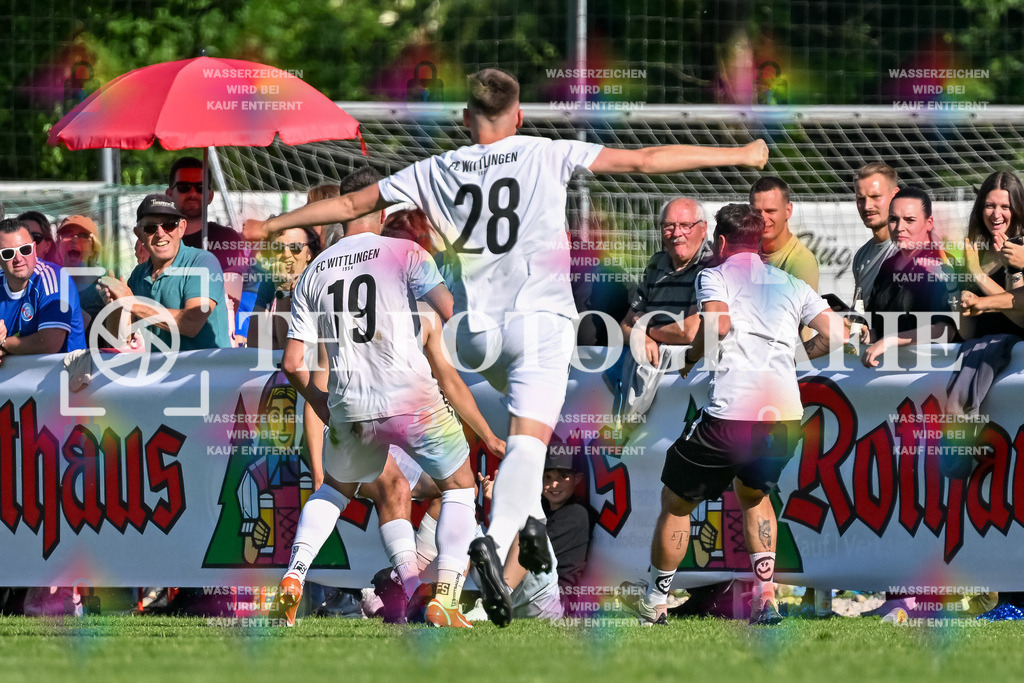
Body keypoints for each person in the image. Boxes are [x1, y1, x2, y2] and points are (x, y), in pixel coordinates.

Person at [244, 67, 769, 627]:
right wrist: (739, 153)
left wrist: (275, 223)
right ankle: (494, 542)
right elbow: (643, 160)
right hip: (538, 326)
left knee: (503, 439)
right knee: (525, 448)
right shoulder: (546, 151)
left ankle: (521, 529)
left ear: (467, 119)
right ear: (518, 116)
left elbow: (352, 206)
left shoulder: (436, 168)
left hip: (474, 336)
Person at [275, 189, 490, 630]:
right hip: (409, 398)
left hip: (351, 403)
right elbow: (452, 314)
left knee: (334, 489)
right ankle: (445, 597)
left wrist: (322, 404)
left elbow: (292, 364)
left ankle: (293, 578)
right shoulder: (406, 252)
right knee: (461, 485)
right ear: (382, 211)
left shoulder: (314, 270)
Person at [621, 204, 842, 626]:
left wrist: (671, 344)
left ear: (720, 242)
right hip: (784, 419)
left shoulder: (715, 274)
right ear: (760, 242)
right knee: (755, 496)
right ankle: (766, 597)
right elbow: (837, 334)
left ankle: (655, 600)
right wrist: (797, 355)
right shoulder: (790, 283)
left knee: (676, 501)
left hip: (731, 417)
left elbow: (716, 326)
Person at [99, 194, 231, 351]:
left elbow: (191, 323)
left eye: (169, 225)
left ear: (181, 228)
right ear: (138, 234)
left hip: (207, 372)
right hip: (161, 373)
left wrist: (132, 303)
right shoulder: (138, 274)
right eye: (150, 228)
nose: (160, 233)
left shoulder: (202, 262)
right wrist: (116, 306)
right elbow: (120, 341)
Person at [861, 186, 959, 368]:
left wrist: (891, 341)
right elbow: (875, 325)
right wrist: (863, 334)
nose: (899, 228)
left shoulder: (942, 265)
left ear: (929, 223)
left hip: (929, 375)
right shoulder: (888, 266)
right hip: (884, 371)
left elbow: (946, 330)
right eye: (893, 219)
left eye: (910, 220)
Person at [621, 197, 713, 367]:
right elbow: (626, 325)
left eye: (686, 225)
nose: (677, 233)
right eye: (669, 226)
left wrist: (646, 331)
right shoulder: (656, 264)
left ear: (703, 228)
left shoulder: (711, 265)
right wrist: (640, 339)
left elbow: (691, 331)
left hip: (691, 374)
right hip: (654, 370)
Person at [0, 218, 86, 360]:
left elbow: (49, 343)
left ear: (34, 249)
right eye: (8, 253)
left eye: (25, 250)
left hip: (62, 379)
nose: (18, 259)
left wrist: (3, 343)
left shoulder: (56, 277)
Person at [958, 171, 1024, 338]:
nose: (996, 215)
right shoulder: (974, 251)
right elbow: (966, 334)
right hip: (979, 355)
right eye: (990, 206)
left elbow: (1019, 317)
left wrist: (978, 274)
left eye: (1005, 207)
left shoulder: (1021, 249)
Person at [165, 157, 247, 274]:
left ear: (210, 196)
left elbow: (234, 287)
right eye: (184, 187)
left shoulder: (226, 239)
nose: (193, 194)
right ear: (169, 194)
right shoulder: (160, 237)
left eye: (200, 188)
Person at [246, 227, 321, 350]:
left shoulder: (316, 283)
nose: (286, 254)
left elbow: (291, 349)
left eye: (296, 247)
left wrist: (283, 290)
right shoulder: (270, 282)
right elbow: (255, 341)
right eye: (278, 248)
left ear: (309, 254)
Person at [750, 176, 819, 290]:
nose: (763, 218)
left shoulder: (802, 261)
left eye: (770, 211)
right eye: (757, 211)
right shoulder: (746, 249)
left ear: (788, 211)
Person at [851, 163, 900, 304]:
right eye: (861, 199)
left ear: (895, 195)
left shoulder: (913, 249)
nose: (867, 206)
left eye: (875, 197)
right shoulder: (861, 256)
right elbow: (859, 311)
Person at [55, 215, 105, 338]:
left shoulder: (105, 288)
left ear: (94, 248)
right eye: (67, 235)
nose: (74, 240)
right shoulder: (47, 286)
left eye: (83, 236)